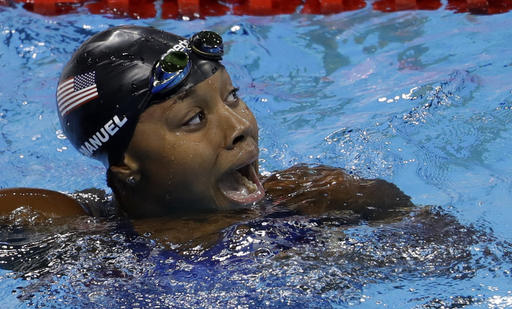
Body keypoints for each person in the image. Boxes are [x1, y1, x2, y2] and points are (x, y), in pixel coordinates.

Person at [0, 26, 412, 237]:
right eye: (194, 119)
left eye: (232, 97)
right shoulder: (83, 233)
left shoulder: (317, 200)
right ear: (127, 167)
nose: (239, 127)